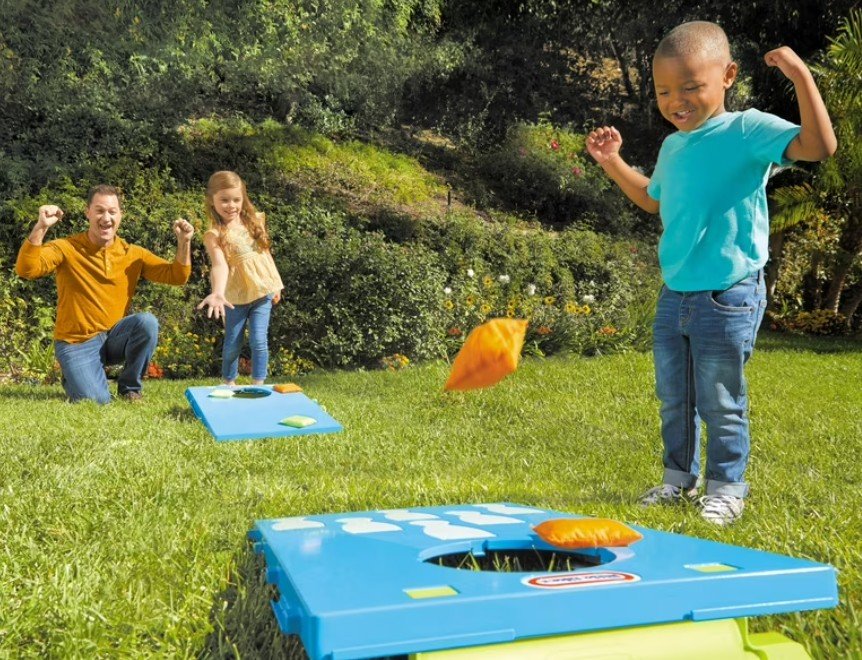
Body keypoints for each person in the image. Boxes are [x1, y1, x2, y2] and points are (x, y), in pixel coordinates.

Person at [586, 21, 836, 525]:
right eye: (663, 90)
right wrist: (612, 161)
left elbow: (818, 146)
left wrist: (800, 76)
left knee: (720, 400)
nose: (675, 100)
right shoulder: (673, 147)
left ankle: (727, 488)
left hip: (728, 292)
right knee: (674, 397)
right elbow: (650, 200)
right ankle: (678, 482)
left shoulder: (747, 129)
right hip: (675, 292)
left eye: (691, 86)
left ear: (727, 77)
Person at [15, 184, 194, 403]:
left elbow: (177, 276)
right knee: (97, 401)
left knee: (146, 322)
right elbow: (26, 269)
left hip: (112, 338)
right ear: (87, 212)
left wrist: (184, 243)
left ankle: (130, 388)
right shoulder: (66, 248)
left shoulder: (133, 254)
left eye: (112, 211)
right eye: (99, 211)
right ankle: (73, 376)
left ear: (121, 215)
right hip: (76, 343)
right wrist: (41, 227)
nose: (106, 218)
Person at [197, 171, 284, 386]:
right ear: (212, 201)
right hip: (234, 296)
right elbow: (219, 265)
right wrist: (217, 292)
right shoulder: (214, 234)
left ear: (243, 198)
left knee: (258, 340)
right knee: (233, 343)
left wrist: (276, 284)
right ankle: (228, 382)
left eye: (236, 199)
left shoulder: (254, 222)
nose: (231, 205)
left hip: (263, 290)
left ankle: (258, 384)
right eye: (224, 200)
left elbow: (265, 254)